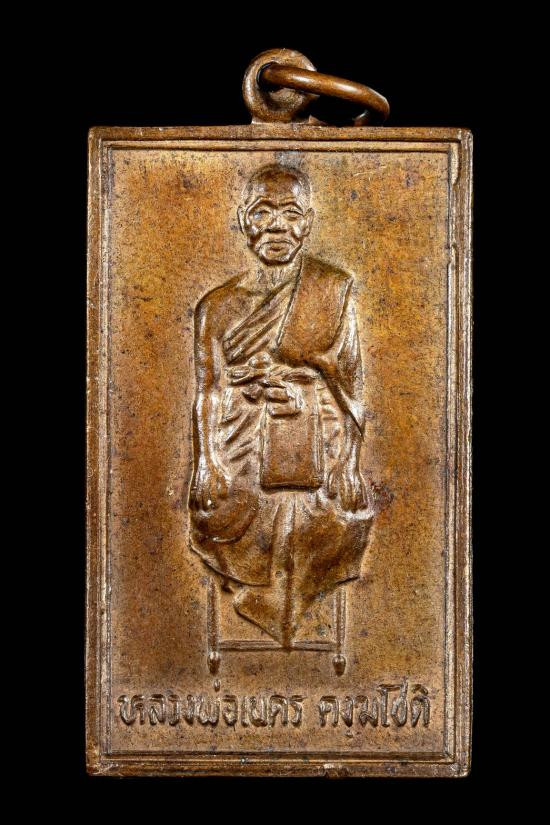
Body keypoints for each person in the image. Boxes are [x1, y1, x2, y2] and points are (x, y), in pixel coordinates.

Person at [188, 164, 378, 648]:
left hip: (317, 440)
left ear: (308, 222)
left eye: (291, 214)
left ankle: (302, 627)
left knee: (336, 516)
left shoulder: (330, 289)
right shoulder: (216, 306)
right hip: (239, 444)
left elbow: (350, 387)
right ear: (243, 220)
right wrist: (207, 461)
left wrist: (348, 463)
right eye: (263, 213)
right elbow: (209, 388)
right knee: (213, 514)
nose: (277, 226)